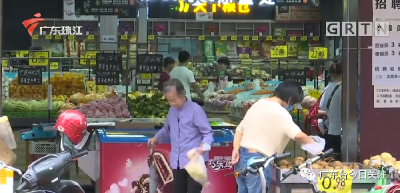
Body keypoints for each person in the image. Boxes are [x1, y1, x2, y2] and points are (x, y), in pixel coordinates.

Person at [231, 80, 325, 193]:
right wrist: (316, 146)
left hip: (241, 159)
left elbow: (239, 129)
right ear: (290, 98)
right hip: (258, 162)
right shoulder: (280, 112)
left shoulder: (258, 104)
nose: (293, 106)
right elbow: (298, 135)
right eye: (294, 103)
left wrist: (235, 149)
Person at [148, 79, 213, 193]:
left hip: (195, 162)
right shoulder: (172, 110)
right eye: (169, 101)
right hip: (177, 162)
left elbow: (207, 133)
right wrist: (157, 138)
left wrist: (204, 146)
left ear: (183, 94)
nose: (172, 103)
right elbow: (167, 129)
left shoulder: (195, 110)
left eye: (174, 100)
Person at [320, 61, 342, 160]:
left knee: (331, 163)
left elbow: (322, 107)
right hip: (341, 132)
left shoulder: (327, 88)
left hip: (330, 130)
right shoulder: (345, 88)